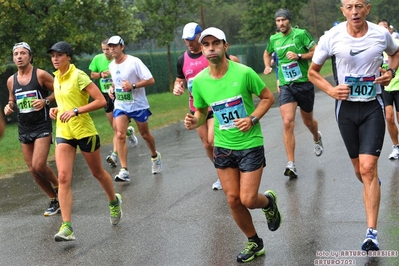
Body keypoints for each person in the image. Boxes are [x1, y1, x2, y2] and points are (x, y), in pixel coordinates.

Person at [308, 0, 399, 251]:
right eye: (349, 7)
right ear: (342, 11)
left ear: (367, 8)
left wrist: (390, 72)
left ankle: (371, 233)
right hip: (345, 109)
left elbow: (396, 53)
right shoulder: (332, 37)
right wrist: (331, 90)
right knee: (360, 171)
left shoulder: (381, 34)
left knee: (369, 168)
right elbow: (313, 72)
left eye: (359, 5)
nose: (354, 11)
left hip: (373, 105)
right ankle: (372, 187)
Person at [184, 27, 281, 263]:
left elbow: (268, 97)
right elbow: (200, 111)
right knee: (232, 199)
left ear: (225, 46)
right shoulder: (199, 82)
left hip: (250, 142)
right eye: (206, 45)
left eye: (215, 43)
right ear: (202, 49)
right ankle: (254, 242)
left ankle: (268, 202)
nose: (210, 48)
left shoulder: (244, 72)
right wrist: (193, 120)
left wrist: (252, 118)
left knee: (248, 199)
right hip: (224, 145)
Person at [47, 41, 122, 241]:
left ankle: (114, 201)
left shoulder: (79, 75)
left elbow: (101, 101)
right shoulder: (56, 77)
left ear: (68, 57)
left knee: (97, 172)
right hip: (64, 132)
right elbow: (64, 102)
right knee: (63, 177)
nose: (55, 59)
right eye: (53, 55)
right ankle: (67, 227)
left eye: (59, 55)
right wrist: (57, 109)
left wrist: (76, 111)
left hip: (84, 131)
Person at [174, 22, 240, 190]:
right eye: (185, 40)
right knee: (207, 144)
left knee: (213, 140)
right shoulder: (182, 59)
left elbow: (231, 62)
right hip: (196, 106)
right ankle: (221, 173)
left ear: (199, 36)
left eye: (192, 39)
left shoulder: (210, 53)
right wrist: (178, 86)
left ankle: (229, 170)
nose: (189, 43)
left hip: (216, 106)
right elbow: (180, 78)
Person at [263, 8, 323, 179]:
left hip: (304, 84)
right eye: (278, 21)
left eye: (283, 20)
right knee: (288, 122)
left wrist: (299, 55)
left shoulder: (301, 34)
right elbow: (267, 52)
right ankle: (291, 164)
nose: (281, 23)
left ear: (289, 20)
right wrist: (267, 65)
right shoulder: (274, 39)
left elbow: (317, 53)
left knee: (308, 121)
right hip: (286, 86)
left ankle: (316, 137)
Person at [3, 42, 60, 217]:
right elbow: (12, 99)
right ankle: (54, 199)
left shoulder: (40, 75)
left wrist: (46, 101)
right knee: (32, 169)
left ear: (30, 56)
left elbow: (60, 91)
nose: (19, 56)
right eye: (16, 54)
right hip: (24, 126)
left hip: (41, 124)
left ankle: (60, 187)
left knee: (39, 165)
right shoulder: (11, 80)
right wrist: (9, 106)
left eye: (23, 53)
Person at [107, 35, 162, 181]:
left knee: (145, 134)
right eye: (110, 46)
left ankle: (155, 156)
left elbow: (150, 80)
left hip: (138, 104)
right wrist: (112, 89)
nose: (112, 49)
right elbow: (116, 83)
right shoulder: (112, 65)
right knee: (119, 134)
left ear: (122, 47)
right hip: (121, 105)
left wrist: (132, 86)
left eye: (115, 46)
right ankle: (124, 170)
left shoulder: (134, 62)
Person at [89, 38, 138, 168]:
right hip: (105, 95)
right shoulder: (98, 59)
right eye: (104, 49)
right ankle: (129, 132)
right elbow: (92, 74)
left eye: (108, 49)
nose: (106, 52)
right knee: (114, 127)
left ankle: (114, 155)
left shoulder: (119, 61)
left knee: (117, 128)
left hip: (119, 95)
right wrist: (100, 75)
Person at [377, 19, 399, 159]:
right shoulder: (376, 48)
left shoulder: (395, 46)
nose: (382, 31)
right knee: (389, 118)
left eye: (385, 28)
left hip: (398, 84)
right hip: (385, 88)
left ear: (389, 30)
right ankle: (396, 147)